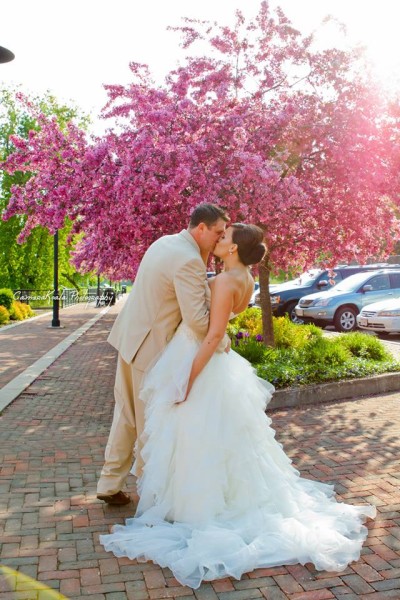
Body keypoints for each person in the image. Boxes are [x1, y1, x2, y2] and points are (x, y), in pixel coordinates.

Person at [100, 223, 376, 588]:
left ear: (232, 249)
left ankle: (194, 503)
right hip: (215, 362)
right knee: (221, 438)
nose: (220, 238)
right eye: (220, 233)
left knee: (192, 433)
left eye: (225, 236)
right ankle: (203, 495)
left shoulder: (226, 279)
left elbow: (212, 333)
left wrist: (186, 379)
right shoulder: (243, 278)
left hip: (199, 359)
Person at [96, 203, 230, 505]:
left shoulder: (164, 243)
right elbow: (196, 319)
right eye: (218, 233)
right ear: (201, 229)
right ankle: (151, 496)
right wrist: (221, 340)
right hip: (150, 349)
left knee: (125, 416)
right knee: (149, 425)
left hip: (130, 338)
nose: (220, 239)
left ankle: (109, 482)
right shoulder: (189, 260)